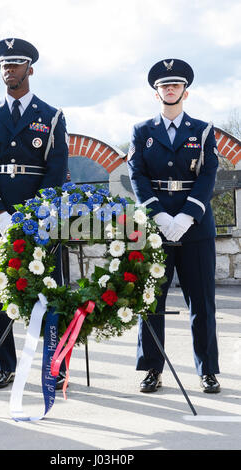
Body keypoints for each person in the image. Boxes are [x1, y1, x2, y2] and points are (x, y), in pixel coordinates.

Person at [0, 38, 69, 390]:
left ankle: (53, 366)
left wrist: (38, 215)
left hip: (41, 220)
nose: (8, 70)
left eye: (14, 64)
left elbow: (56, 171)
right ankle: (4, 365)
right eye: (3, 65)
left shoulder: (51, 116)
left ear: (30, 69)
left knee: (48, 290)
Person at [127, 58, 220, 394]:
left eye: (175, 85)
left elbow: (209, 174)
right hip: (156, 226)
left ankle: (207, 369)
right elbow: (136, 174)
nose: (170, 89)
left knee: (202, 302)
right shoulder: (141, 131)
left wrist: (186, 216)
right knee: (151, 301)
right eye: (164, 85)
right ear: (156, 93)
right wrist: (159, 216)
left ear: (186, 91)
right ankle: (152, 368)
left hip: (195, 225)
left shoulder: (203, 130)